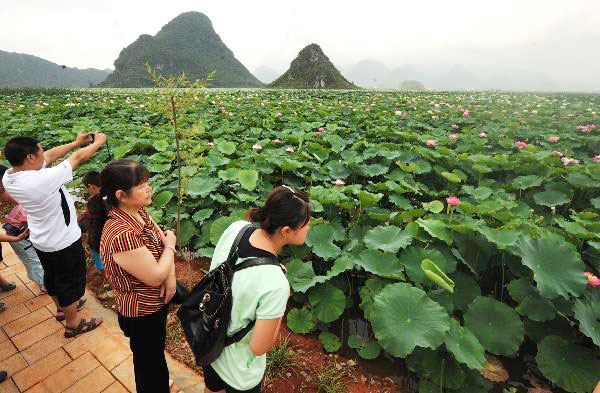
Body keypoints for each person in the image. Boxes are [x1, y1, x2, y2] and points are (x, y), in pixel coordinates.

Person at [204, 185, 311, 393]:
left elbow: (220, 271)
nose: (309, 228)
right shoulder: (275, 284)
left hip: (210, 342)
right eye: (306, 224)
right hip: (239, 371)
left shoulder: (237, 228)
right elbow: (259, 347)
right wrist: (283, 299)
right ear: (287, 231)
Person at [2, 132, 106, 337]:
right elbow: (77, 158)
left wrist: (76, 142)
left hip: (42, 238)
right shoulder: (42, 179)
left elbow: (49, 156)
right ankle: (73, 323)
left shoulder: (11, 175)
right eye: (40, 150)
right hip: (62, 240)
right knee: (70, 282)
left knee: (53, 276)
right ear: (30, 157)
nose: (45, 153)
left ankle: (61, 309)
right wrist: (98, 143)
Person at [93, 159, 176, 393]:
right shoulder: (121, 234)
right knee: (148, 363)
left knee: (153, 355)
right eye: (142, 185)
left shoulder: (137, 210)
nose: (149, 188)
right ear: (121, 194)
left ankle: (157, 379)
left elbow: (160, 237)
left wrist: (169, 276)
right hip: (142, 312)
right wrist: (170, 247)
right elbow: (155, 273)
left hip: (153, 305)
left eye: (147, 182)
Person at [0, 165, 45, 294]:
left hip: (18, 235)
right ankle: (43, 284)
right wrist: (16, 238)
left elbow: (21, 202)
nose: (6, 186)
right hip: (18, 238)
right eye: (3, 183)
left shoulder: (5, 191)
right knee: (34, 260)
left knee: (34, 259)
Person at [79, 170, 110, 299]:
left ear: (91, 186)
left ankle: (102, 289)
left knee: (101, 266)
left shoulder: (94, 201)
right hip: (109, 239)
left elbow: (91, 220)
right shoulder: (110, 196)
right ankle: (108, 282)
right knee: (109, 262)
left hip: (97, 240)